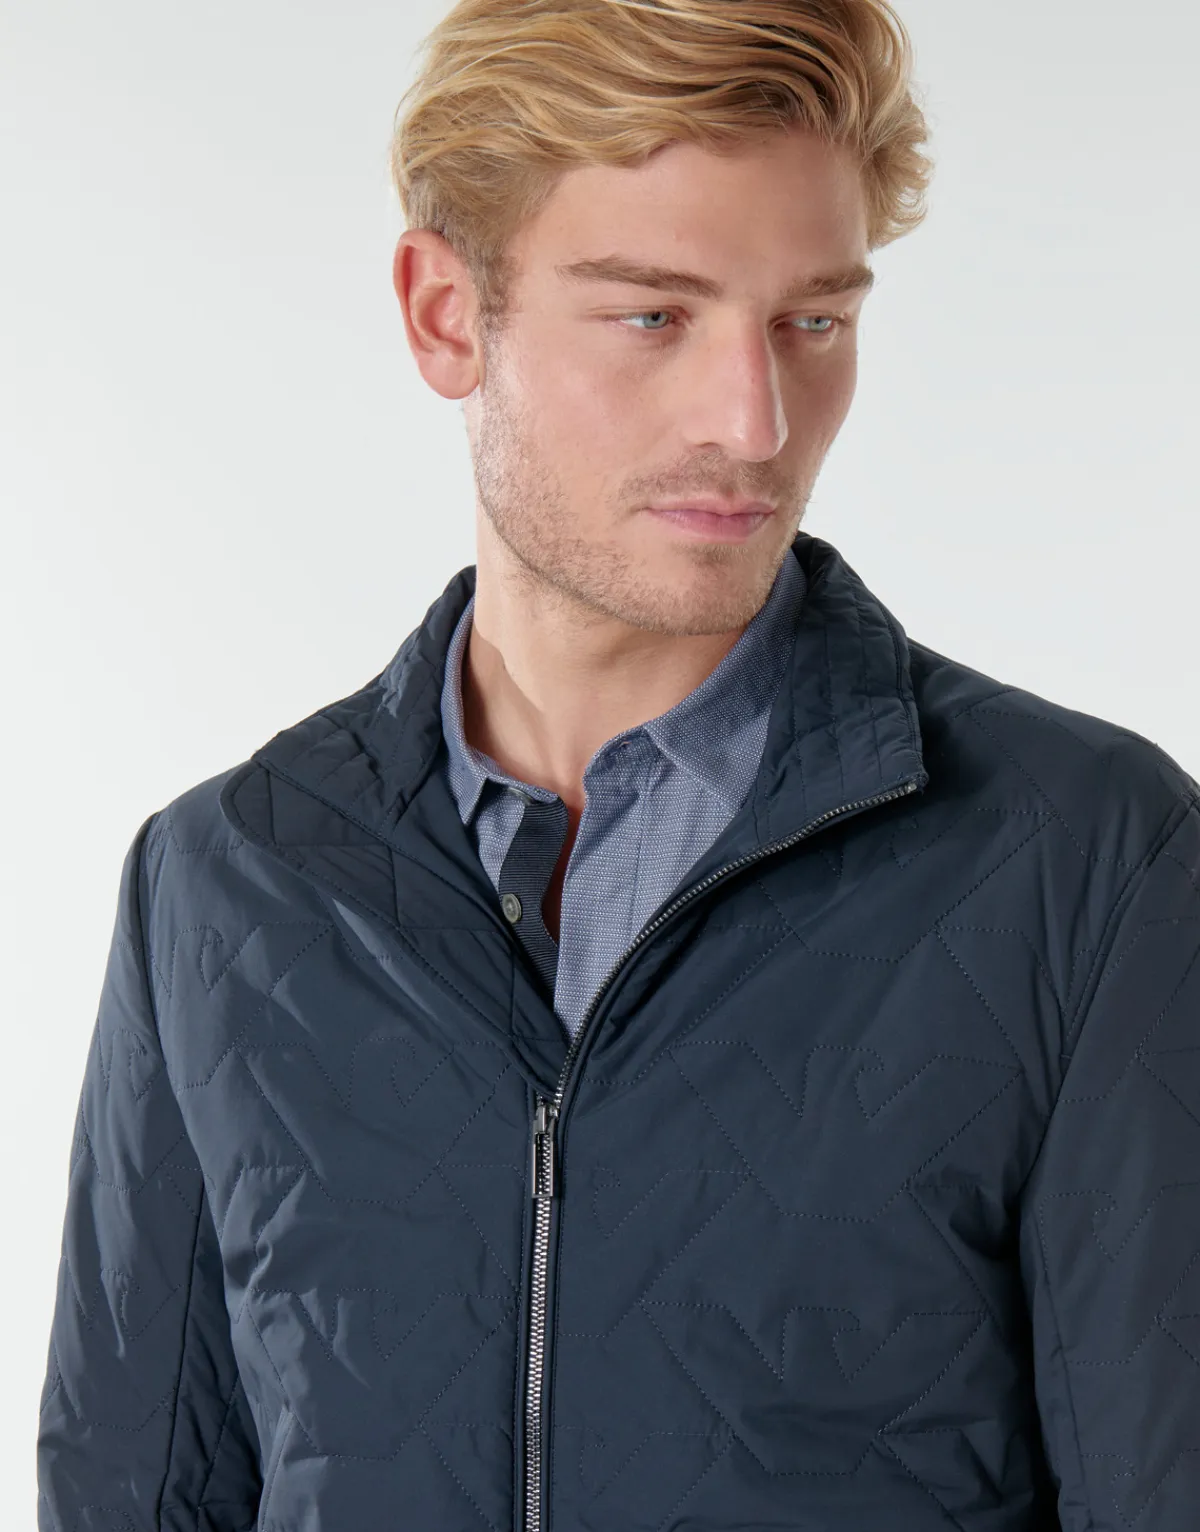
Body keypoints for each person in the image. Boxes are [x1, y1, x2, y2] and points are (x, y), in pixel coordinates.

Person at [35, 0, 1200, 1527]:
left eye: (812, 321)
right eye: (656, 316)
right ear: (447, 314)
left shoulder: (1087, 859)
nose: (755, 420)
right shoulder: (219, 883)